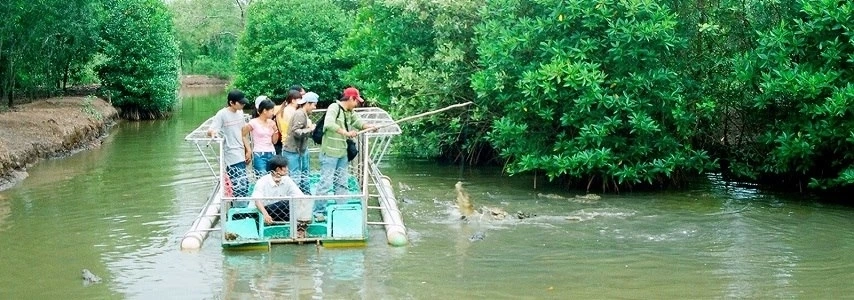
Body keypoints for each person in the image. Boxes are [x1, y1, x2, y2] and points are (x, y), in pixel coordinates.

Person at [317, 87, 376, 201]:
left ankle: (341, 206)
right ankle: (319, 211)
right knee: (326, 183)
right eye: (356, 101)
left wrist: (369, 127)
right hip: (329, 153)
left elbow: (358, 122)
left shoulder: (350, 112)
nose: (356, 104)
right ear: (350, 98)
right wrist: (346, 133)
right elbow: (329, 123)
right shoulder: (334, 107)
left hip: (342, 153)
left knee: (342, 183)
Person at [251, 156, 313, 238]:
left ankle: (301, 229)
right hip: (263, 211)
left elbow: (299, 196)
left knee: (304, 199)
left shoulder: (286, 179)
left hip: (280, 210)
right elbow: (257, 201)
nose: (287, 169)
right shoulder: (262, 181)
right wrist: (265, 215)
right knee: (287, 203)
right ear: (277, 169)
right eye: (285, 167)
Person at [208, 90, 252, 202]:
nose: (243, 105)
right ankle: (239, 208)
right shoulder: (222, 114)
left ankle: (242, 205)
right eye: (240, 103)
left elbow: (243, 133)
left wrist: (248, 150)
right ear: (231, 103)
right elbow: (211, 130)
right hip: (231, 153)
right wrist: (213, 133)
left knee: (245, 182)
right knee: (239, 183)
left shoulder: (240, 113)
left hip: (241, 151)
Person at [282, 92, 318, 194]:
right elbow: (296, 131)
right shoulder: (299, 114)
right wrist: (310, 129)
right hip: (292, 151)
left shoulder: (304, 114)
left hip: (301, 150)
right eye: (314, 105)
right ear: (307, 103)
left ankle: (305, 195)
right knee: (295, 178)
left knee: (304, 175)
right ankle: (295, 199)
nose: (315, 107)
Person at [245, 96, 279, 179]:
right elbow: (243, 134)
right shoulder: (253, 122)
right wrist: (248, 149)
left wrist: (275, 131)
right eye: (271, 111)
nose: (273, 113)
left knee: (272, 177)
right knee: (262, 178)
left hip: (271, 152)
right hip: (259, 154)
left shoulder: (272, 122)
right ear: (264, 111)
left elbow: (274, 141)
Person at [274, 90, 302, 155]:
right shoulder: (291, 111)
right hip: (291, 141)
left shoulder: (283, 109)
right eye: (300, 99)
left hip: (285, 140)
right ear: (293, 100)